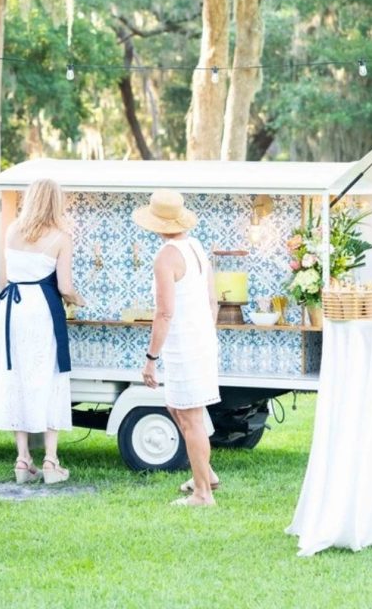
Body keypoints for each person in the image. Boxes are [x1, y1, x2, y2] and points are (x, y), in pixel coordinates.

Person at [0, 179, 84, 485]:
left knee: (18, 375)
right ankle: (50, 461)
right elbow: (65, 286)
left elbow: (6, 277)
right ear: (56, 203)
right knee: (47, 376)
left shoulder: (12, 230)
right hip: (42, 311)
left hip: (14, 310)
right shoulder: (61, 237)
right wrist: (78, 300)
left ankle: (22, 459)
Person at [134, 190, 220, 508]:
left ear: (157, 223)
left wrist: (150, 360)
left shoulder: (166, 256)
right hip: (200, 340)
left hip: (185, 344)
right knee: (179, 408)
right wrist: (204, 335)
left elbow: (164, 313)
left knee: (191, 418)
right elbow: (213, 301)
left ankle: (203, 494)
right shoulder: (196, 247)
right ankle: (205, 474)